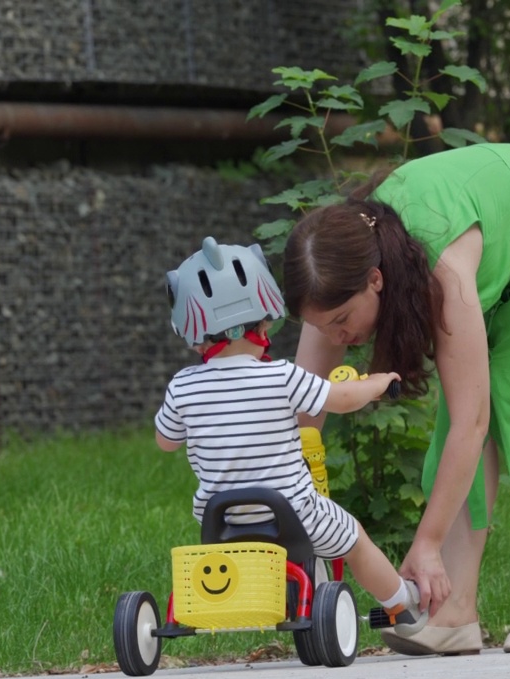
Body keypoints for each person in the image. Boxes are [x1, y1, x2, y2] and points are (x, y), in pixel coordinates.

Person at [281, 143, 510, 655]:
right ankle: (454, 612)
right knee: (460, 423)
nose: (337, 335)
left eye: (343, 321)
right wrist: (275, 486)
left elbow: (471, 424)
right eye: (323, 325)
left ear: (376, 281)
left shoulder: (442, 272)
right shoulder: (335, 276)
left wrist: (426, 544)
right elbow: (303, 403)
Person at [154, 236, 426, 638]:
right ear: (265, 320)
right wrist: (377, 382)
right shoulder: (280, 376)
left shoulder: (183, 386)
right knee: (353, 539)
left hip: (220, 519)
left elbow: (166, 442)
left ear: (194, 334)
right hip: (294, 511)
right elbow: (342, 398)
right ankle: (402, 603)